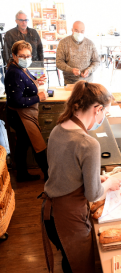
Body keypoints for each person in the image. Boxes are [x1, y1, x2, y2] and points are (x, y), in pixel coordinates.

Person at [40, 81, 121, 273]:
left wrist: (95, 176)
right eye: (104, 111)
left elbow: (67, 170)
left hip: (50, 212)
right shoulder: (89, 143)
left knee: (69, 260)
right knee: (73, 267)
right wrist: (107, 184)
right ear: (96, 108)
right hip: (67, 219)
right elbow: (93, 194)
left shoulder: (59, 128)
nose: (103, 116)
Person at [4, 40, 48, 182]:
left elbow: (25, 83)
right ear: (14, 55)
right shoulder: (14, 72)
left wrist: (37, 81)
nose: (26, 59)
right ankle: (48, 174)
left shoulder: (20, 68)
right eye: (22, 56)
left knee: (22, 145)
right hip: (20, 115)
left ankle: (22, 174)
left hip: (23, 113)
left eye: (28, 56)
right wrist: (38, 97)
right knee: (38, 144)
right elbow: (16, 101)